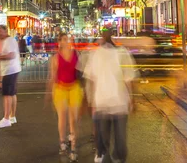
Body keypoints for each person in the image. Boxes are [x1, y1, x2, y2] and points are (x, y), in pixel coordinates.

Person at [84, 28, 137, 163]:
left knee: (106, 138)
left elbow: (91, 79)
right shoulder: (118, 53)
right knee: (114, 139)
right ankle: (111, 155)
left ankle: (105, 154)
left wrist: (89, 100)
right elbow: (129, 78)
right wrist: (132, 99)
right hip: (114, 103)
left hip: (107, 102)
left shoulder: (99, 54)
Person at [47, 33, 82, 162]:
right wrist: (49, 93)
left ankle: (73, 147)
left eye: (69, 39)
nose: (67, 41)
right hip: (60, 88)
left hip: (74, 88)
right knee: (62, 117)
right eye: (64, 39)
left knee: (73, 119)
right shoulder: (55, 58)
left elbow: (80, 71)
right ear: (59, 42)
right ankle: (62, 141)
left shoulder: (76, 54)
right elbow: (53, 76)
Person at [0, 25, 21, 128]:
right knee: (12, 93)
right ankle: (12, 116)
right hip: (12, 69)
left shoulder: (9, 41)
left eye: (1, 32)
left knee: (7, 94)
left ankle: (6, 119)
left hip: (10, 70)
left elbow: (11, 55)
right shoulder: (7, 41)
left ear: (6, 31)